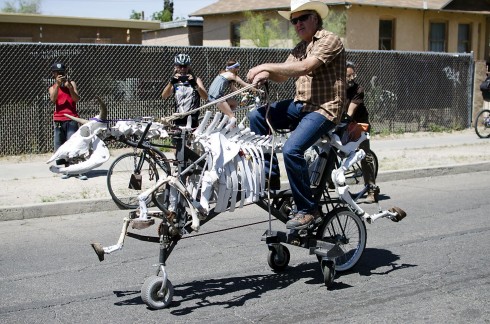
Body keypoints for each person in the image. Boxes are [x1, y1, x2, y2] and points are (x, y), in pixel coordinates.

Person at [246, 0, 345, 230]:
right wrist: (266, 74)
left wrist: (264, 65)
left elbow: (305, 67)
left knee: (292, 149)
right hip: (301, 106)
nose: (297, 24)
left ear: (315, 18)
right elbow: (283, 75)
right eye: (294, 21)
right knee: (257, 117)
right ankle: (270, 181)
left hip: (324, 109)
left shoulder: (329, 40)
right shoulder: (300, 47)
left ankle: (308, 209)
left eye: (302, 18)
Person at [345, 61, 379, 203]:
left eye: (353, 75)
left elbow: (350, 112)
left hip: (360, 125)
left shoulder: (359, 90)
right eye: (348, 75)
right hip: (345, 124)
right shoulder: (337, 89)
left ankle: (371, 189)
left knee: (364, 155)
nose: (351, 78)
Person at [48, 62, 86, 180]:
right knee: (61, 145)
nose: (60, 75)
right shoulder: (52, 87)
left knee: (74, 144)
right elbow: (53, 100)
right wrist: (58, 85)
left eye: (62, 73)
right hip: (59, 119)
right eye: (57, 73)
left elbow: (77, 99)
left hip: (71, 118)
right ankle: (66, 169)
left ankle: (77, 169)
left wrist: (70, 88)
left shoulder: (72, 84)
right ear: (54, 74)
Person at [161, 53, 208, 128]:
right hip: (179, 116)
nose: (182, 69)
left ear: (189, 67)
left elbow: (205, 97)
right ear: (176, 67)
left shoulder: (196, 79)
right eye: (180, 66)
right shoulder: (175, 81)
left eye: (185, 66)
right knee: (178, 138)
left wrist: (195, 84)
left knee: (191, 138)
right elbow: (164, 96)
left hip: (192, 116)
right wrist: (171, 83)